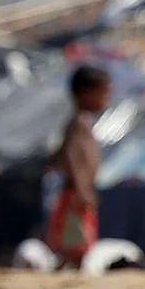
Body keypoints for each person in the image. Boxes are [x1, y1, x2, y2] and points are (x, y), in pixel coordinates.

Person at [47, 64, 110, 267]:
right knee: (75, 243)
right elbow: (74, 159)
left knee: (77, 241)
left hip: (78, 191)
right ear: (87, 94)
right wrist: (83, 191)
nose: (105, 100)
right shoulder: (78, 124)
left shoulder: (81, 122)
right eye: (103, 93)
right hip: (76, 194)